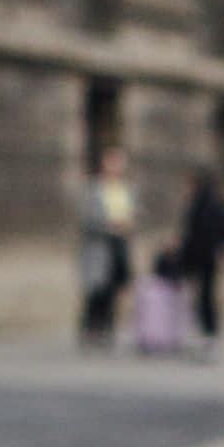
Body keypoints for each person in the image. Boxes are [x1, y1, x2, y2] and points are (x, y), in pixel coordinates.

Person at [77, 144, 134, 344]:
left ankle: (108, 329)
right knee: (96, 290)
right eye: (113, 161)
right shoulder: (94, 188)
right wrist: (108, 226)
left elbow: (133, 214)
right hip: (99, 245)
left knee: (113, 289)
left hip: (119, 244)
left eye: (120, 162)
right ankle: (91, 329)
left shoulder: (125, 189)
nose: (117, 166)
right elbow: (86, 219)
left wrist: (126, 224)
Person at [176, 167, 224, 350]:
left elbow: (191, 234)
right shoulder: (218, 204)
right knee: (207, 294)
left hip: (200, 256)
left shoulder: (199, 206)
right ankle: (209, 332)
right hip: (210, 256)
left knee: (203, 295)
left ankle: (207, 331)